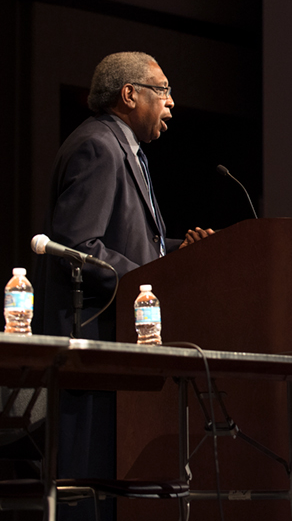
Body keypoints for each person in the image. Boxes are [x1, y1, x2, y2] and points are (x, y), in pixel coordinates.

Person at [32, 52, 212, 520]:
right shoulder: (98, 146)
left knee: (108, 493)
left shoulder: (128, 151)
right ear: (129, 94)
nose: (171, 102)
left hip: (116, 345)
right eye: (163, 90)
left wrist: (176, 254)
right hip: (91, 347)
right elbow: (76, 245)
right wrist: (150, 278)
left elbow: (131, 245)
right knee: (85, 494)